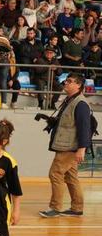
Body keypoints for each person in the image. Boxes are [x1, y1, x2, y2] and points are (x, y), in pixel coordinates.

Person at [39, 73, 91, 218]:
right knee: (71, 177)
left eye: (69, 81)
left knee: (55, 174)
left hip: (70, 148)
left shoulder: (80, 104)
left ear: (78, 85)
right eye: (65, 81)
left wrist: (82, 148)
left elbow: (84, 128)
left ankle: (55, 208)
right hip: (67, 146)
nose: (65, 84)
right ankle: (77, 208)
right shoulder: (70, 100)